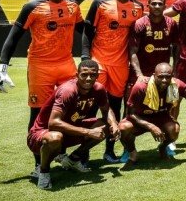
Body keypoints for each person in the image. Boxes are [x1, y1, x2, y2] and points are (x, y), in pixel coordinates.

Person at [0, 0, 85, 173]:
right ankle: (38, 164)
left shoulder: (72, 7)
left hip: (66, 64)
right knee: (39, 114)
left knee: (71, 109)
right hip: (40, 66)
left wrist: (89, 55)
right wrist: (2, 65)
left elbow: (86, 30)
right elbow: (14, 36)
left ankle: (62, 154)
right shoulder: (32, 6)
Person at [81, 0, 145, 163]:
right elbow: (86, 32)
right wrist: (85, 57)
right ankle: (83, 155)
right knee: (91, 107)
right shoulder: (99, 3)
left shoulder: (138, 7)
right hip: (99, 62)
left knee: (115, 107)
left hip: (121, 65)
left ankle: (109, 151)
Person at [27, 59, 120, 190]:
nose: (88, 78)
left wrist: (114, 124)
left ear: (97, 76)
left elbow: (107, 110)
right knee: (55, 137)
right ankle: (43, 172)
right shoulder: (68, 90)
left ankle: (73, 159)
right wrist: (88, 132)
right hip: (42, 134)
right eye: (84, 75)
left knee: (106, 126)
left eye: (92, 75)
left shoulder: (98, 89)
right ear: (77, 75)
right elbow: (53, 123)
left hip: (69, 130)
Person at [118, 63, 186, 169]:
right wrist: (151, 126)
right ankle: (132, 153)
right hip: (141, 118)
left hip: (161, 117)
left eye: (168, 77)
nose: (164, 80)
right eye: (161, 77)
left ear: (172, 76)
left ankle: (163, 148)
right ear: (154, 75)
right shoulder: (141, 87)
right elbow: (130, 113)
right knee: (123, 127)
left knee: (174, 130)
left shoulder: (175, 85)